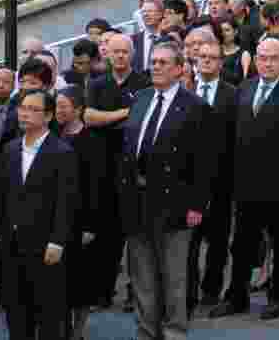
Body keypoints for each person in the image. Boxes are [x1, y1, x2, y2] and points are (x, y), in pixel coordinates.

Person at [210, 38, 279, 321]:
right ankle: (237, 296)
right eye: (262, 57)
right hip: (247, 185)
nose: (267, 63)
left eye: (273, 58)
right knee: (243, 245)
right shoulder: (245, 89)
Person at [120, 42, 212, 339]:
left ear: (179, 68)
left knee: (173, 276)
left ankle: (174, 332)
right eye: (153, 62)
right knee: (142, 276)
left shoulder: (195, 106)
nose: (155, 67)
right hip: (137, 199)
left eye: (163, 63)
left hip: (174, 202)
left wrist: (197, 205)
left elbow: (204, 161)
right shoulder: (142, 98)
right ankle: (146, 331)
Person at [0, 89, 78, 340]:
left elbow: (66, 201)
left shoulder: (62, 152)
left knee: (49, 314)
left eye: (33, 109)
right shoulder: (10, 149)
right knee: (15, 312)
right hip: (11, 243)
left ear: (48, 115)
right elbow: (0, 195)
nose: (25, 114)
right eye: (22, 108)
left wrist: (58, 240)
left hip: (45, 244)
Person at [83, 33, 150, 310]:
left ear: (132, 54)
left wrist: (107, 118)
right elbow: (88, 117)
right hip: (103, 167)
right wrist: (123, 113)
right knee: (106, 237)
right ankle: (102, 292)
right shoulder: (97, 83)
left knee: (136, 237)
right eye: (115, 51)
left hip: (135, 167)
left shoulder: (143, 83)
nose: (120, 56)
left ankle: (137, 294)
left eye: (125, 52)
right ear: (107, 54)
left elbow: (141, 119)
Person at [186, 39, 237, 313]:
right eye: (201, 57)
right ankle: (188, 293)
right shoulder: (183, 91)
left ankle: (211, 289)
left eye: (212, 57)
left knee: (218, 239)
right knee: (188, 242)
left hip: (221, 179)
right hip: (187, 179)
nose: (206, 61)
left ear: (220, 62)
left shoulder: (232, 94)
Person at [53, 87, 105, 340]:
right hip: (54, 220)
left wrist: (90, 226)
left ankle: (77, 332)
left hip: (81, 221)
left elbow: (95, 187)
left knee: (82, 284)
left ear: (78, 109)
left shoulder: (91, 142)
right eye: (56, 106)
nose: (59, 110)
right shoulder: (51, 135)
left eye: (64, 106)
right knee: (58, 283)